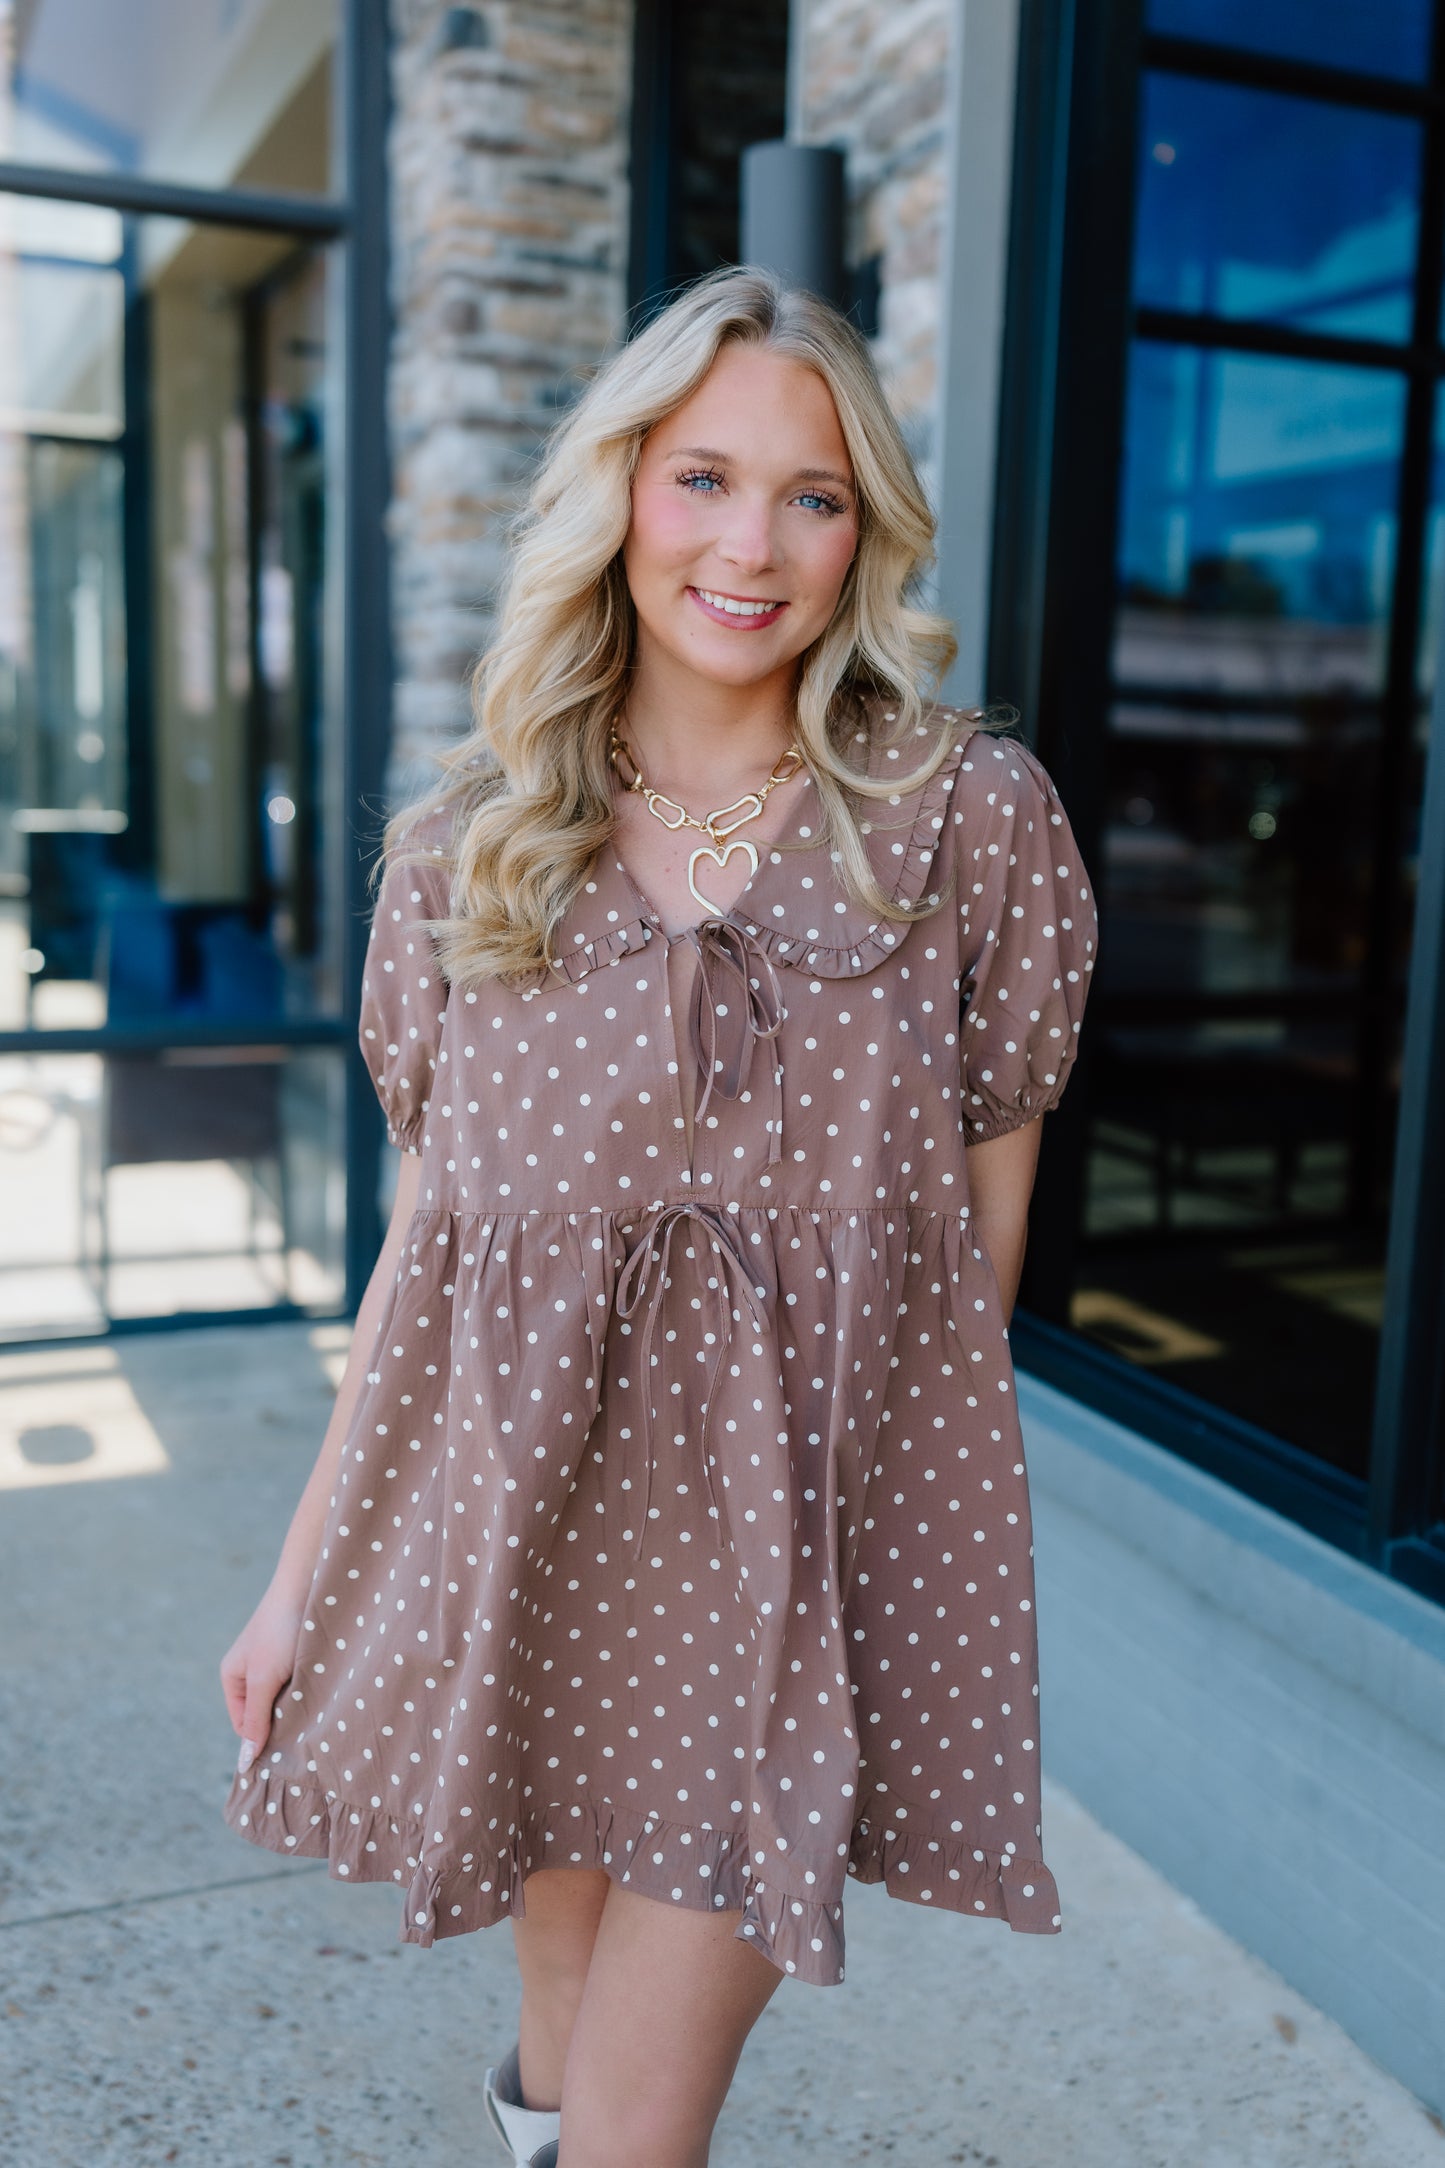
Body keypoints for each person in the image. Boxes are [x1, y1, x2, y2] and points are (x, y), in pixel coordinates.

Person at [219, 263, 1098, 2168]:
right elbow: (425, 1262)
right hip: (526, 1543)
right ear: (617, 488)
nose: (750, 547)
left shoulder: (966, 818)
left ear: (863, 532)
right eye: (702, 477)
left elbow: (975, 1266)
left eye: (812, 495)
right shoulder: (470, 849)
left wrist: (882, 1578)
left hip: (788, 1580)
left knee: (632, 2127)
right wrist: (301, 1579)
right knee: (552, 2062)